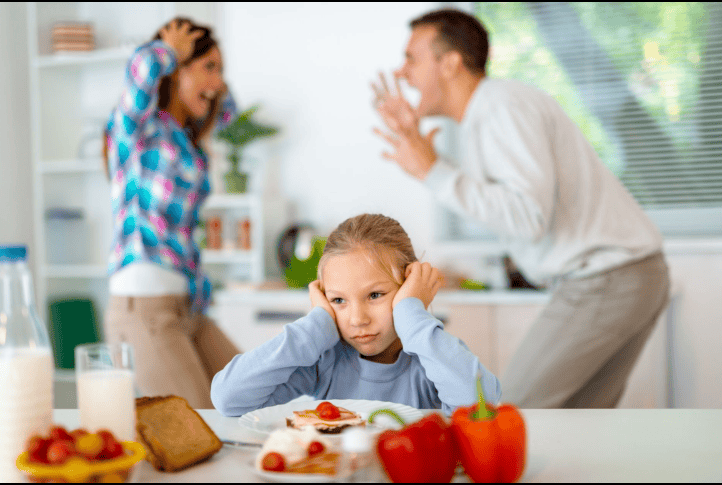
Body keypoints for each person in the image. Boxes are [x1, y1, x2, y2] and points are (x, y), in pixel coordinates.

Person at [371, 8, 670, 408]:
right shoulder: (490, 112)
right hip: (625, 275)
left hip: (607, 278)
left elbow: (527, 216)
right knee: (581, 425)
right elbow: (512, 205)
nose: (403, 72)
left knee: (514, 414)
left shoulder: (500, 107)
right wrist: (430, 160)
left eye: (412, 58)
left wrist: (433, 170)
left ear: (450, 63)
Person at [211, 213, 500, 416]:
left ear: (409, 287)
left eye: (375, 295)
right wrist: (314, 326)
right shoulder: (325, 362)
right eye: (338, 300)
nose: (358, 319)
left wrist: (412, 314)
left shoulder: (432, 358)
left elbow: (484, 406)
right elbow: (228, 399)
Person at [102, 18, 241, 409]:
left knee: (253, 397)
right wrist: (170, 51)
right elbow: (142, 70)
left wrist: (211, 81)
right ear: (175, 70)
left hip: (187, 307)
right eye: (208, 67)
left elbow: (230, 114)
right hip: (143, 309)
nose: (217, 83)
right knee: (199, 427)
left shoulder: (185, 140)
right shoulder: (138, 131)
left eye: (221, 70)